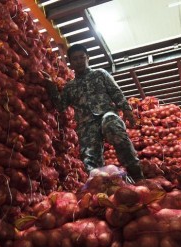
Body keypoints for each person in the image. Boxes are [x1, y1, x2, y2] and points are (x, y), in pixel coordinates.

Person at [42, 44, 145, 183]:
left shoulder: (100, 74)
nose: (79, 61)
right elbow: (60, 106)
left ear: (88, 58)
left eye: (81, 57)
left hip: (106, 113)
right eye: (75, 59)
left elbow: (115, 92)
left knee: (113, 126)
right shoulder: (69, 87)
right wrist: (51, 87)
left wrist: (127, 110)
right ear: (70, 63)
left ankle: (137, 175)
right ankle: (101, 188)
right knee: (90, 160)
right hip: (86, 124)